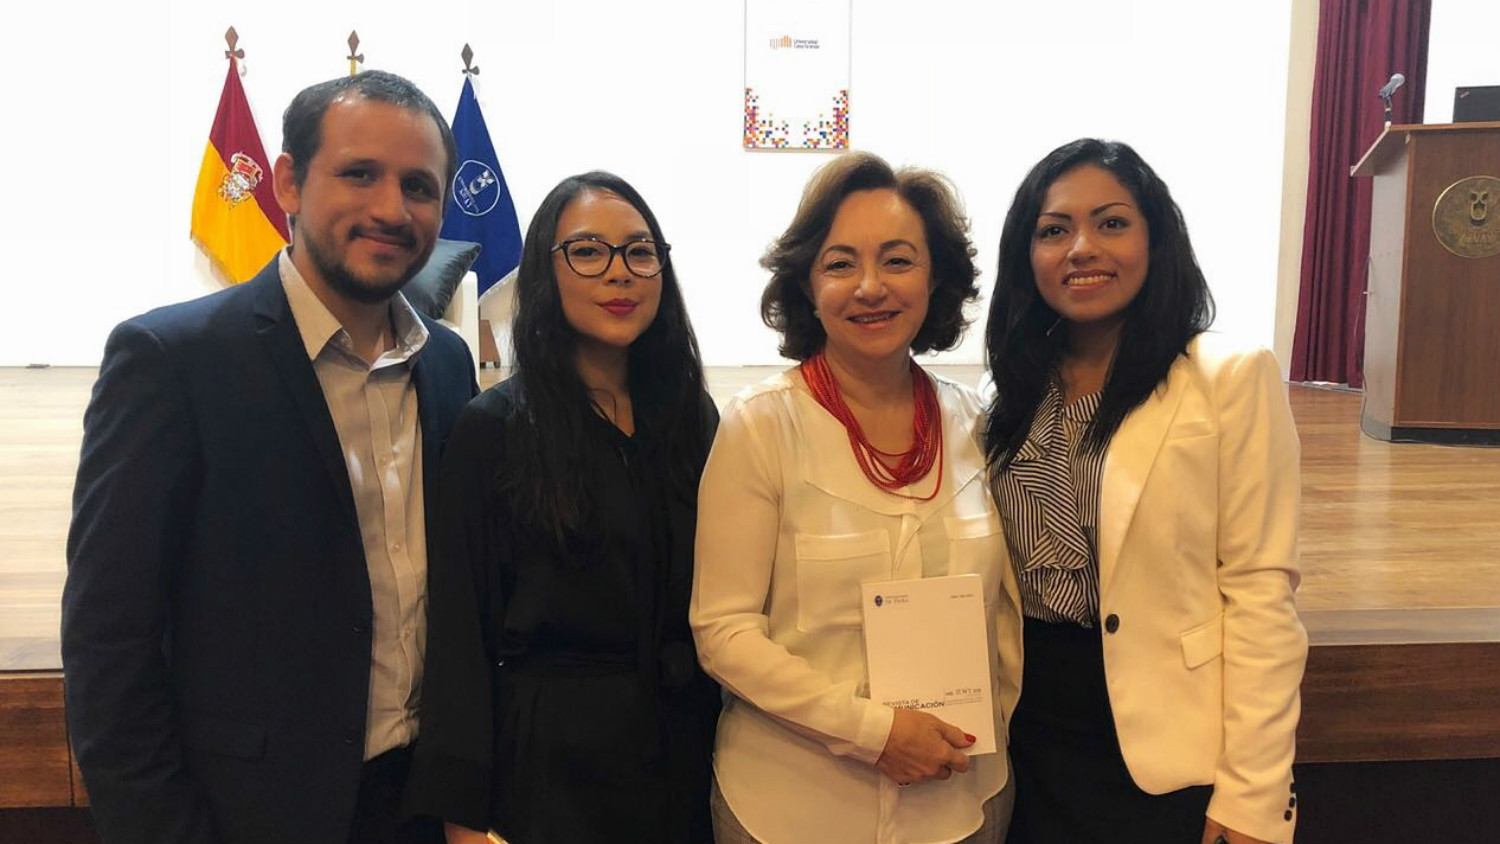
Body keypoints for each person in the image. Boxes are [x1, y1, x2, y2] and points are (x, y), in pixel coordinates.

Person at [62, 70, 477, 844]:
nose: (392, 209)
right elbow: (109, 646)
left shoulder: (448, 365)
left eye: (418, 186)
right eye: (359, 174)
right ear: (287, 182)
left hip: (420, 804)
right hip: (253, 814)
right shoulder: (172, 362)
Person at [691, 151, 1024, 844]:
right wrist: (876, 733)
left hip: (962, 805)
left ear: (936, 278)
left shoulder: (976, 425)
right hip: (792, 810)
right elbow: (723, 632)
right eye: (841, 264)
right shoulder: (760, 426)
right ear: (808, 285)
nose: (871, 287)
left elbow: (1002, 618)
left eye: (898, 261)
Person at [982, 138, 1306, 844]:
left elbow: (1261, 592)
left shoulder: (1229, 378)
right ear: (1026, 254)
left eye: (1112, 223)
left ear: (1156, 239)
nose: (1082, 248)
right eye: (1054, 230)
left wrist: (1255, 793)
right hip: (1030, 738)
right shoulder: (1009, 395)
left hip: (1166, 748)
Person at [405, 171, 721, 844]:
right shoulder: (495, 428)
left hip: (684, 755)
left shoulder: (690, 418)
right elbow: (461, 632)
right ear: (544, 271)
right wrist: (463, 820)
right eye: (587, 251)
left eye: (640, 251)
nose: (620, 272)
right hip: (552, 772)